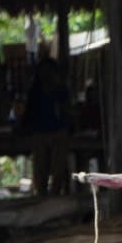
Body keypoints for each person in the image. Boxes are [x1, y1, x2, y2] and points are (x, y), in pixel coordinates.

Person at [23, 57, 72, 196]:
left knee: (58, 169)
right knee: (40, 169)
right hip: (40, 133)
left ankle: (55, 194)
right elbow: (29, 113)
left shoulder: (60, 90)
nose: (46, 74)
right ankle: (42, 195)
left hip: (58, 132)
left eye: (49, 71)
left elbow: (67, 110)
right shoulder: (35, 91)